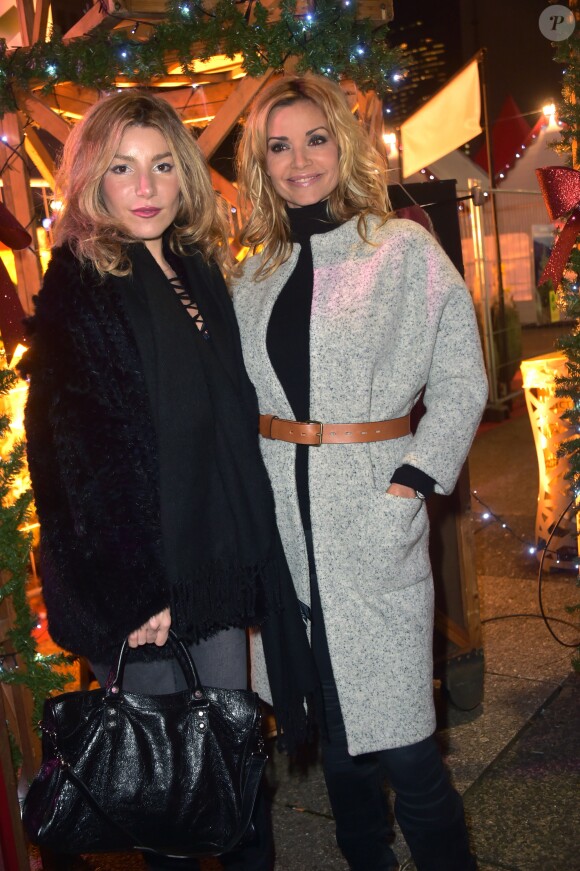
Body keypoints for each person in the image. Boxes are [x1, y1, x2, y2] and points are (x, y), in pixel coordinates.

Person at [20, 90, 317, 871]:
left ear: (183, 177)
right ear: (94, 181)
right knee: (170, 792)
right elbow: (72, 452)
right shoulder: (80, 282)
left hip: (215, 563)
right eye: (123, 168)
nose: (145, 186)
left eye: (160, 165)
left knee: (229, 769)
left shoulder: (194, 266)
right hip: (149, 579)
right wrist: (133, 586)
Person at [234, 74, 488, 871]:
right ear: (260, 163)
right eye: (279, 145)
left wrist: (412, 482)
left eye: (315, 138)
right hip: (286, 535)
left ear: (344, 144)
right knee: (335, 745)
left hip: (373, 520)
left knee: (410, 752)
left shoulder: (400, 247)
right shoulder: (253, 272)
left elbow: (460, 378)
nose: (299, 159)